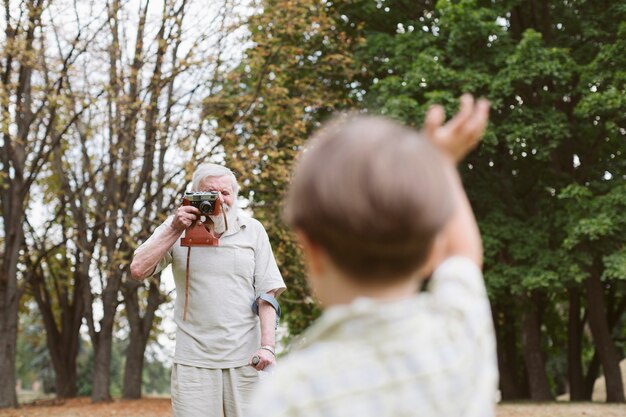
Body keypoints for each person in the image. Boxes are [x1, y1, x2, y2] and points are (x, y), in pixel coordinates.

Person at [248, 95, 498, 417]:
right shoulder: (458, 334)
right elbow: (463, 255)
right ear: (433, 251)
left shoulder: (289, 393)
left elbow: (463, 255)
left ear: (310, 251)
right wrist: (441, 163)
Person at [130, 163, 286, 417]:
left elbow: (267, 294)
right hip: (194, 361)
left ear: (235, 197)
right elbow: (138, 269)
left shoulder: (253, 230)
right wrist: (174, 228)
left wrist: (267, 346)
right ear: (193, 195)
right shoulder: (174, 229)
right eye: (210, 193)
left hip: (247, 360)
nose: (219, 200)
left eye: (225, 193)